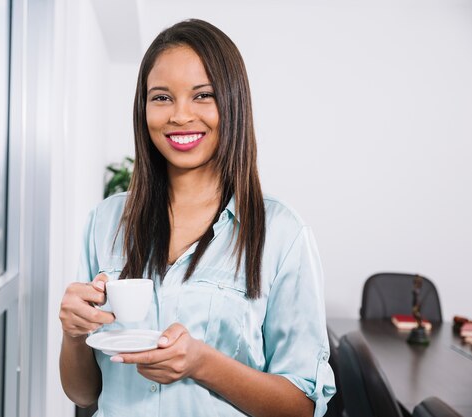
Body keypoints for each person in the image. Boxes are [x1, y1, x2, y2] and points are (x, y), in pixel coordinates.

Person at [59, 18, 335, 417]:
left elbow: (302, 407)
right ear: (143, 108)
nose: (180, 116)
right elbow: (83, 395)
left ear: (233, 102)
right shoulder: (106, 221)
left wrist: (202, 363)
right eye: (162, 97)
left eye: (202, 95)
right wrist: (72, 334)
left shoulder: (283, 234)